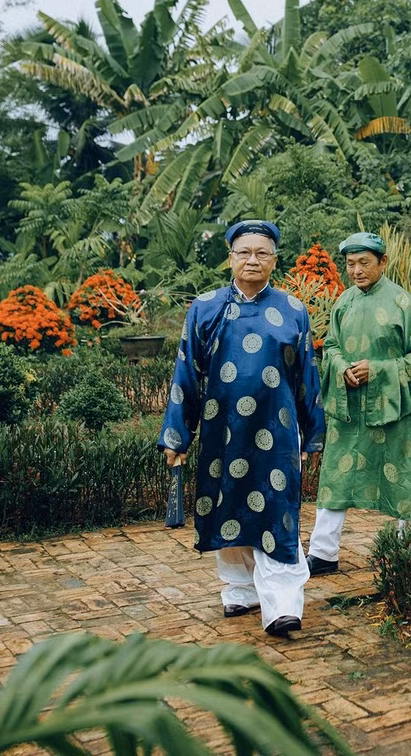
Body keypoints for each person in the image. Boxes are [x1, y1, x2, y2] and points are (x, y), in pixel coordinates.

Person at [159, 220, 325, 638]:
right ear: (230, 258)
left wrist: (313, 433)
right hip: (222, 432)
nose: (253, 259)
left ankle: (282, 605)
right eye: (244, 252)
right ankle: (240, 590)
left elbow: (308, 376)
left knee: (277, 513)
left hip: (279, 433)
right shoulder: (205, 307)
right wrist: (177, 436)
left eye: (262, 253)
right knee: (227, 506)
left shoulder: (293, 310)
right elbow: (186, 374)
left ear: (274, 259)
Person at [306, 232, 411, 577]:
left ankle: (410, 546)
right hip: (349, 411)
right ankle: (322, 552)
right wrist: (340, 368)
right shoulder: (343, 302)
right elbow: (330, 346)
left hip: (393, 411)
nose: (357, 270)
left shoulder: (403, 304)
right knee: (336, 477)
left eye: (364, 262)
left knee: (402, 476)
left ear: (383, 262)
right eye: (350, 264)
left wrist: (377, 370)